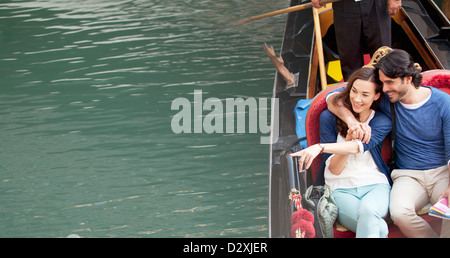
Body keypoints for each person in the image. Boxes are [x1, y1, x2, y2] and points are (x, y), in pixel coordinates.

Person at [327, 48, 450, 238]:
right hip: (408, 175)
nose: (384, 89)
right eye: (382, 83)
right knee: (400, 214)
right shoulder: (388, 101)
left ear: (408, 79)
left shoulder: (443, 102)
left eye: (389, 83)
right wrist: (352, 121)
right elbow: (332, 99)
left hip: (441, 172)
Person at [291, 67, 392, 238]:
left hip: (376, 185)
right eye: (354, 91)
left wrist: (320, 147)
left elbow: (358, 148)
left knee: (369, 211)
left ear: (376, 96)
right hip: (340, 189)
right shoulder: (329, 118)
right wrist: (348, 138)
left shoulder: (381, 121)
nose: (357, 99)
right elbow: (335, 170)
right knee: (379, 228)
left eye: (365, 95)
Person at [312, 0, 401, 80]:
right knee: (350, 61)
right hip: (344, 5)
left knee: (384, 57)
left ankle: (387, 94)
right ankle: (355, 95)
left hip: (376, 3)